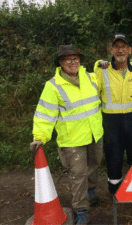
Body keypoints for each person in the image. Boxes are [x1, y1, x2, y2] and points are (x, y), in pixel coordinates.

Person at [30, 44, 104, 224]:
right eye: (68, 59)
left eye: (76, 59)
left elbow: (98, 71)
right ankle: (81, 209)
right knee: (78, 174)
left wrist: (100, 64)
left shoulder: (89, 77)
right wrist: (40, 136)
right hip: (72, 139)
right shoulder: (53, 86)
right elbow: (45, 113)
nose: (73, 62)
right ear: (61, 63)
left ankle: (91, 191)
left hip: (95, 133)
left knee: (95, 164)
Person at [94, 34, 132, 196]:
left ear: (129, 50)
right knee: (114, 155)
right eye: (117, 47)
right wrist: (97, 64)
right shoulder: (102, 70)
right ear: (111, 50)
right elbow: (92, 89)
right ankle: (115, 190)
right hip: (111, 121)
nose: (121, 50)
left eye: (124, 47)